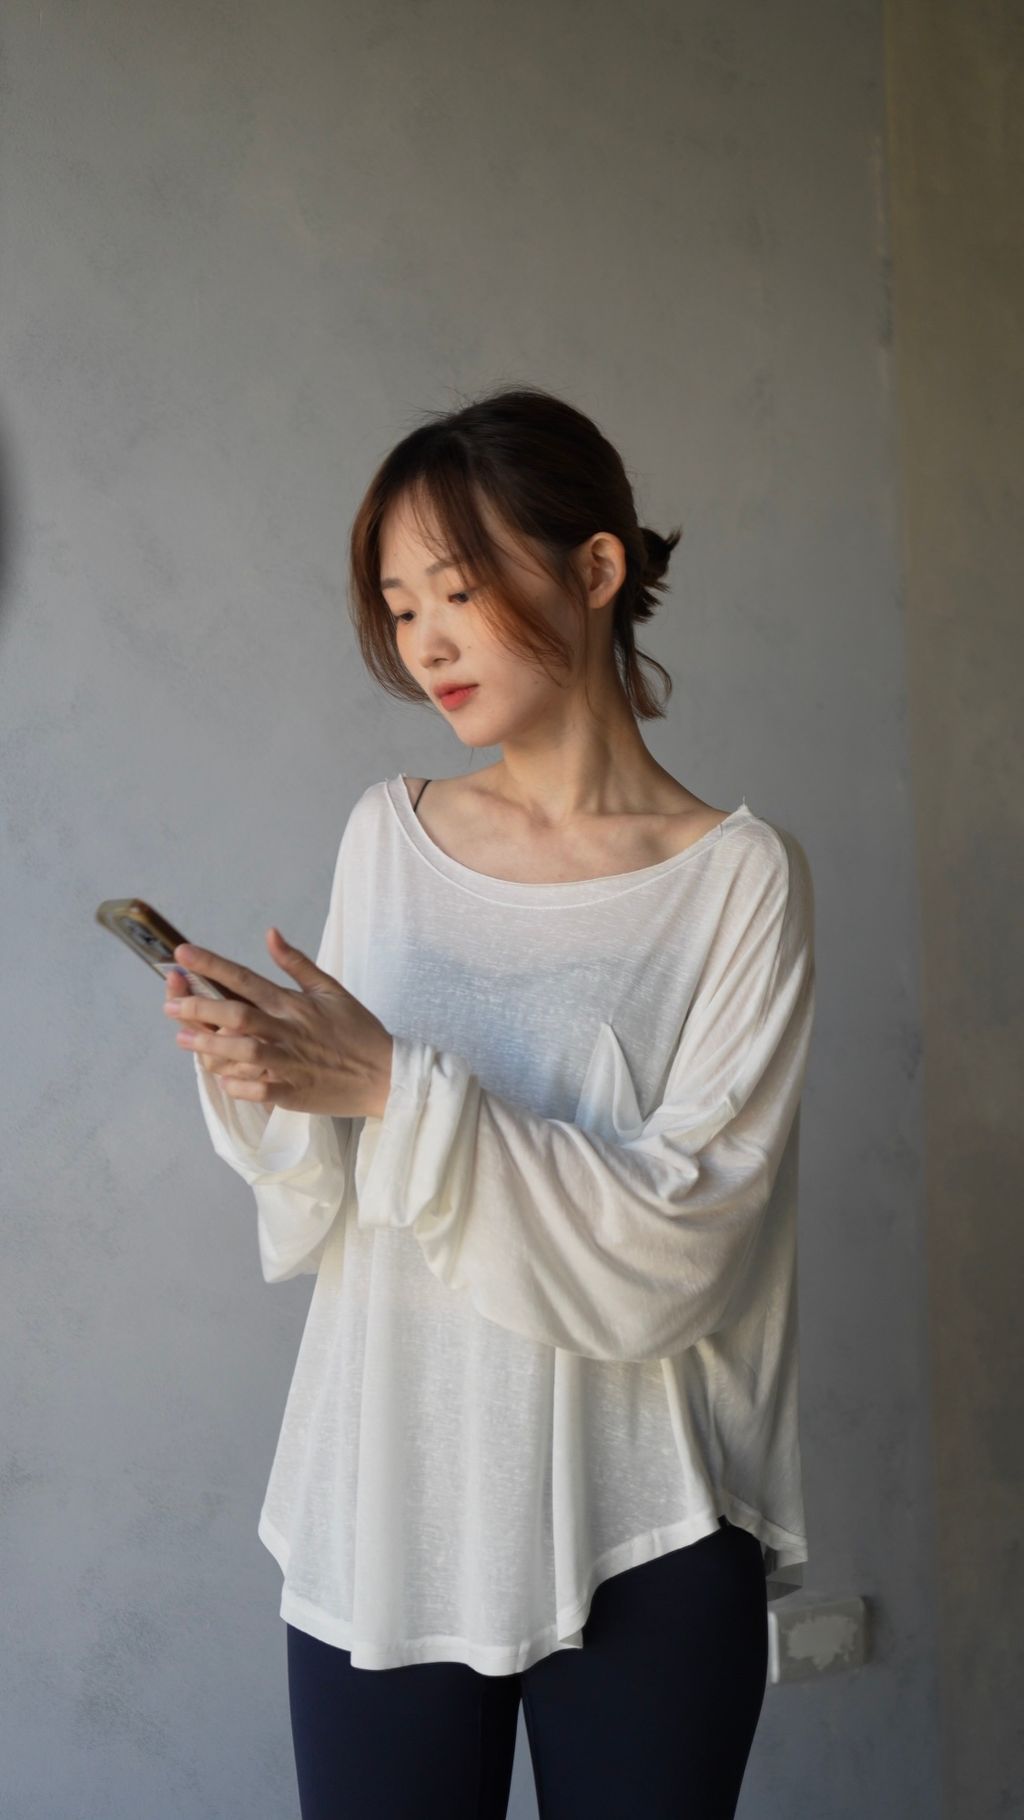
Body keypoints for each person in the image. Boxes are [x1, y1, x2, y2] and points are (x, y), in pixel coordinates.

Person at [163, 384, 817, 1819]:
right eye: (401, 608)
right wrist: (273, 1079)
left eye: (457, 591)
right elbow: (339, 1192)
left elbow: (690, 1234)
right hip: (391, 1499)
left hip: (647, 1517)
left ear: (598, 569)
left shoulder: (738, 882)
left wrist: (395, 1085)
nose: (426, 643)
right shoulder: (387, 839)